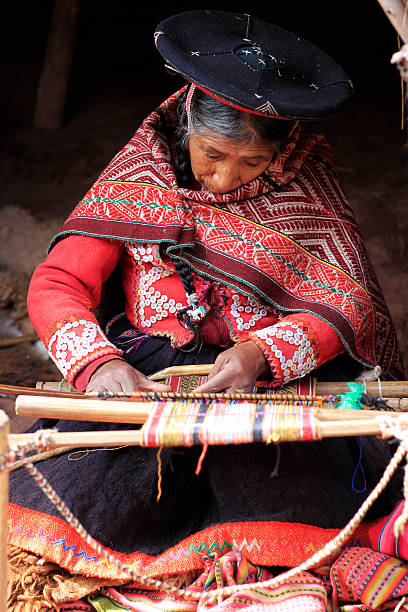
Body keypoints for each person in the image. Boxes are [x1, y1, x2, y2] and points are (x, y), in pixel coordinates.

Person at [8, 10, 406, 611]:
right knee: (96, 485)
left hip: (269, 385)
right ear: (187, 121)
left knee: (288, 485)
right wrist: (98, 366)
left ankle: (275, 563)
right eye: (213, 153)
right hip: (150, 376)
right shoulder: (140, 176)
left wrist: (260, 352)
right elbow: (59, 282)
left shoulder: (306, 180)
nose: (224, 178)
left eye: (252, 164)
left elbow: (345, 303)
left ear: (282, 149)